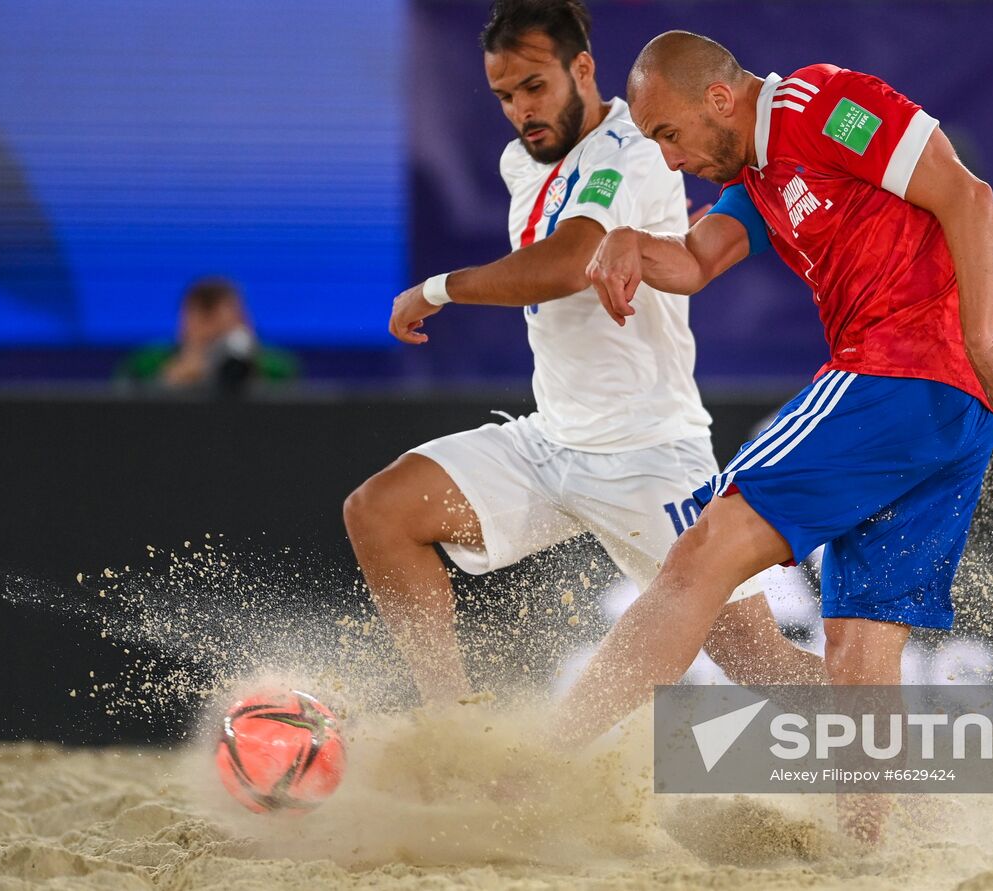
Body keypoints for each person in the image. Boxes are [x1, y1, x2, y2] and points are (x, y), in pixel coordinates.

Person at [555, 32, 993, 752]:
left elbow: (967, 194)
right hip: (947, 411)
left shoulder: (820, 105)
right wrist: (626, 239)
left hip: (896, 374)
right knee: (860, 658)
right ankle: (875, 847)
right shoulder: (759, 179)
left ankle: (540, 760)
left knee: (698, 554)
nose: (668, 157)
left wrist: (981, 340)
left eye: (668, 133)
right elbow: (693, 261)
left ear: (720, 97)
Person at [343, 2, 825, 706]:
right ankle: (448, 722)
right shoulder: (520, 162)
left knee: (759, 660)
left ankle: (912, 751)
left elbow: (572, 260)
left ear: (583, 69)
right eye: (504, 95)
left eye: (534, 87)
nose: (520, 110)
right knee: (379, 511)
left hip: (649, 454)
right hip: (553, 441)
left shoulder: (632, 142)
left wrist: (439, 289)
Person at [115, 276, 298, 393]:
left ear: (245, 323)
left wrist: (252, 376)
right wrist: (167, 385)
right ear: (182, 326)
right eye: (205, 339)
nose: (213, 345)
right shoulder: (146, 364)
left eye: (220, 335)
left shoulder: (277, 368)